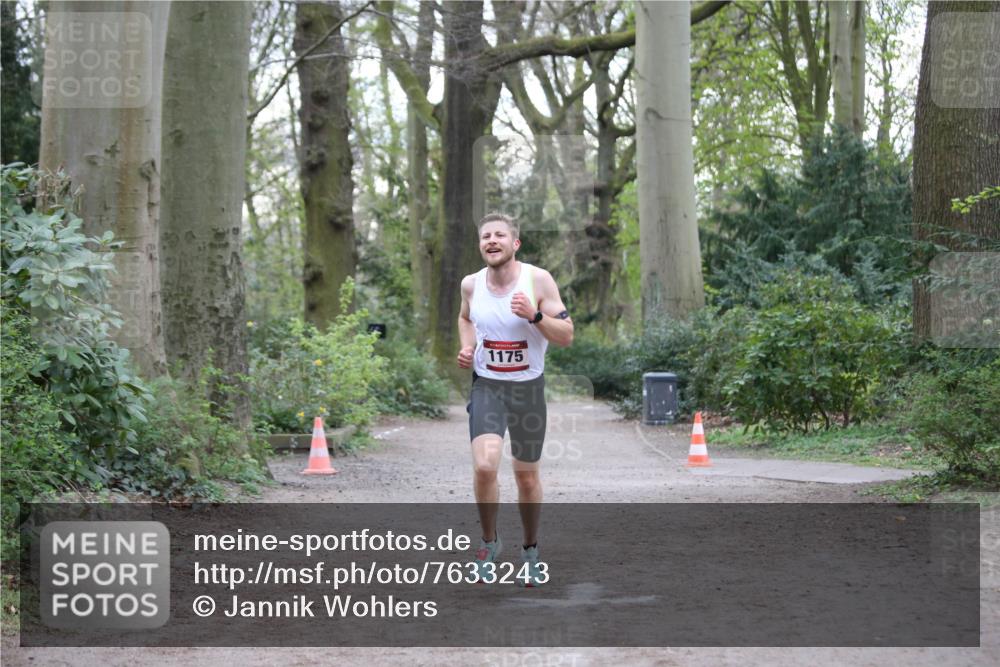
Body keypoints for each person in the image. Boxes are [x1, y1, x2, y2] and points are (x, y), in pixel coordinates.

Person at [456, 212, 573, 586]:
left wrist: (535, 316)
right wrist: (467, 346)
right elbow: (464, 317)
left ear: (515, 243)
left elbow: (567, 334)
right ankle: (489, 544)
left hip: (527, 389)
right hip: (488, 386)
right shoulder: (471, 285)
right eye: (485, 236)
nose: (491, 241)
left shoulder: (537, 280)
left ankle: (530, 550)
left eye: (499, 235)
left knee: (526, 478)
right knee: (486, 466)